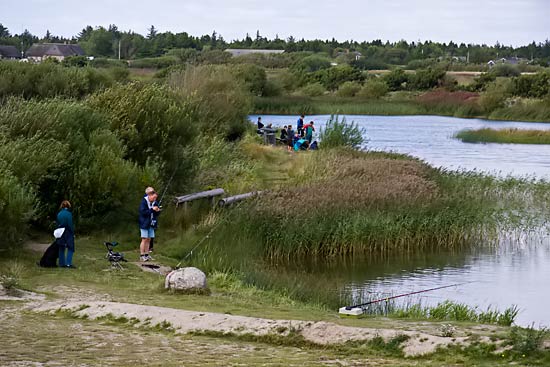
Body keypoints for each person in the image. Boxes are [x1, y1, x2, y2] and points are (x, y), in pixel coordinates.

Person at [139, 187, 160, 262]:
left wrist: (157, 211)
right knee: (144, 239)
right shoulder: (144, 202)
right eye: (153, 198)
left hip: (152, 223)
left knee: (149, 239)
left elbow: (157, 213)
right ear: (149, 196)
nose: (155, 199)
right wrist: (152, 209)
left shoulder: (155, 202)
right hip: (144, 223)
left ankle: (147, 255)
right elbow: (143, 212)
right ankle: (142, 255)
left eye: (155, 198)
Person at [57, 200, 76, 268]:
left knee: (61, 247)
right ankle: (68, 263)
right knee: (70, 247)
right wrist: (73, 233)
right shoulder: (68, 214)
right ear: (68, 206)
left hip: (60, 231)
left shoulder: (59, 214)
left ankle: (61, 263)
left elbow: (58, 223)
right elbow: (70, 224)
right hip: (68, 231)